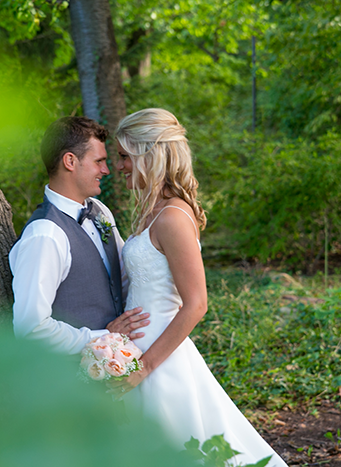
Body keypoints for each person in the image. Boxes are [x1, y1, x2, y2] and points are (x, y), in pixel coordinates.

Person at [109, 108, 287, 466]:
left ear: (150, 154)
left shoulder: (173, 217)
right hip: (134, 351)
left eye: (125, 156)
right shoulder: (152, 212)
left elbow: (196, 304)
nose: (119, 166)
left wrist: (144, 368)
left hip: (160, 359)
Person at [9, 116, 149, 355]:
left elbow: (124, 280)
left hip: (123, 367)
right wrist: (105, 337)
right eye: (98, 162)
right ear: (70, 161)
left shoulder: (100, 211)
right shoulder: (45, 235)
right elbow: (31, 328)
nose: (106, 170)